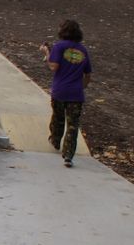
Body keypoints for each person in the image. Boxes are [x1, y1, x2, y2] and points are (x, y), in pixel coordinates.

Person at [38, 20, 93, 167]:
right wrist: (81, 87)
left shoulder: (59, 47)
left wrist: (46, 53)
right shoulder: (83, 50)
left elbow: (54, 66)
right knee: (73, 124)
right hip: (76, 93)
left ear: (62, 31)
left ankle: (55, 141)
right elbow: (88, 75)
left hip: (60, 90)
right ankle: (68, 155)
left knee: (58, 117)